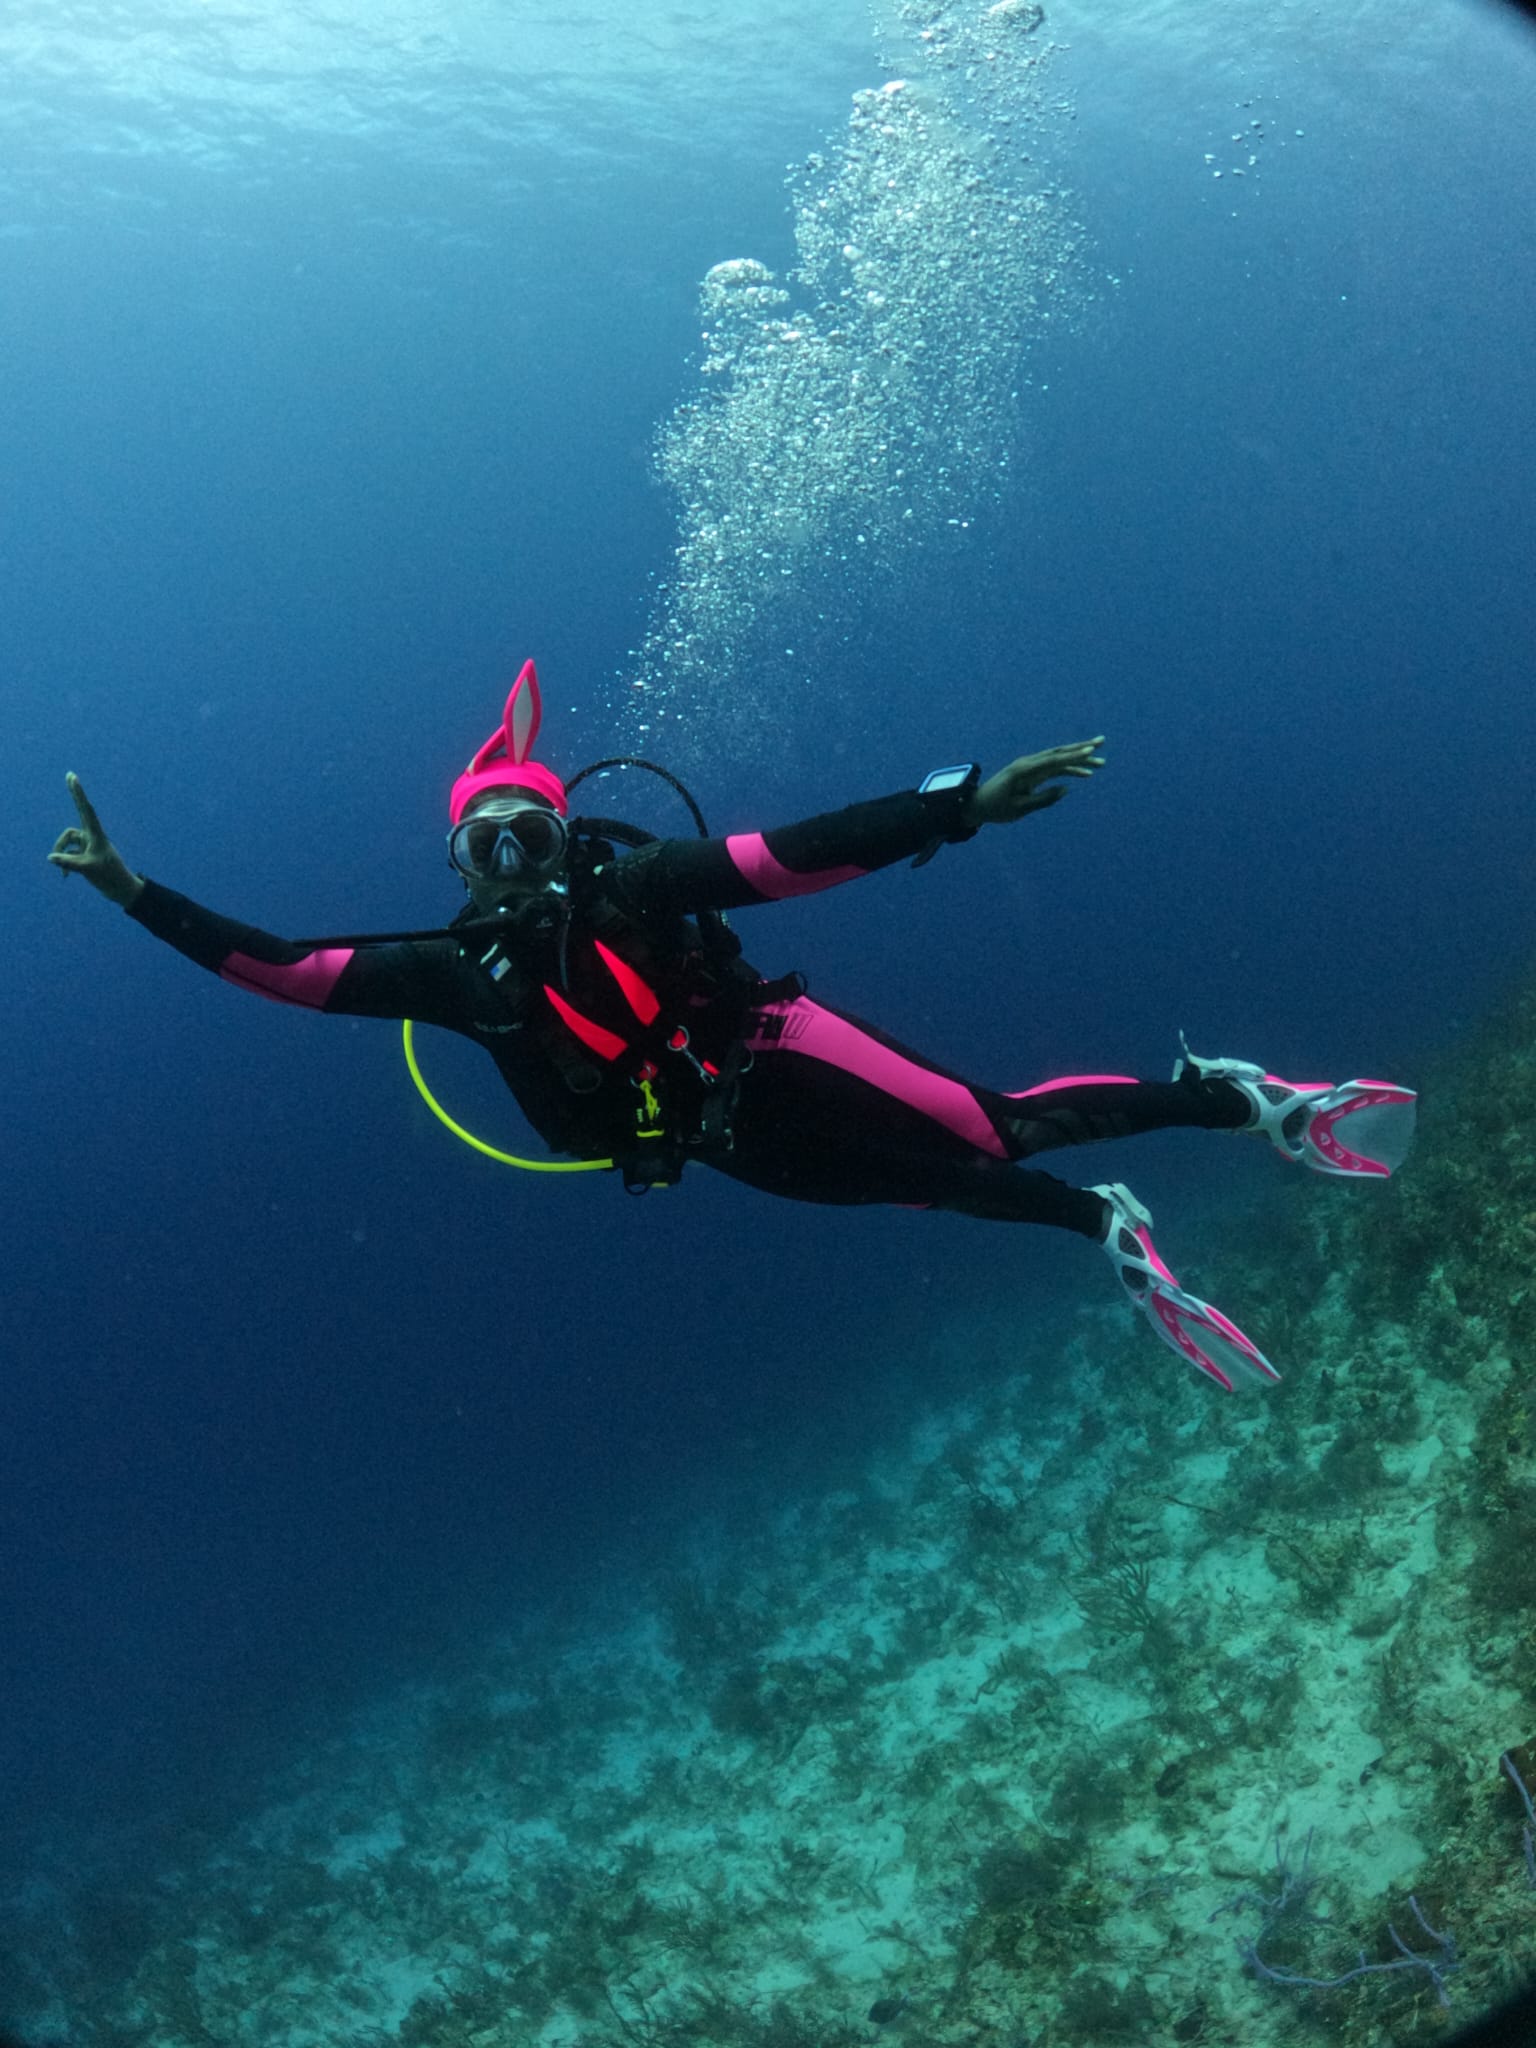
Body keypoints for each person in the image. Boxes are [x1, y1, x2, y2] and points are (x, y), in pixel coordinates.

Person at [49, 660, 1415, 1390]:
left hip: (770, 1048)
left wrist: (962, 802)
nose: (516, 863)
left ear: (565, 829)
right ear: (460, 866)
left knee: (989, 1131)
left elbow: (788, 856)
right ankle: (1102, 1227)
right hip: (712, 1135)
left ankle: (1235, 1099)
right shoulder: (457, 976)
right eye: (488, 847)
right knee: (929, 1189)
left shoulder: (637, 884)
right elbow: (282, 967)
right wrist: (129, 892)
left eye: (531, 834)